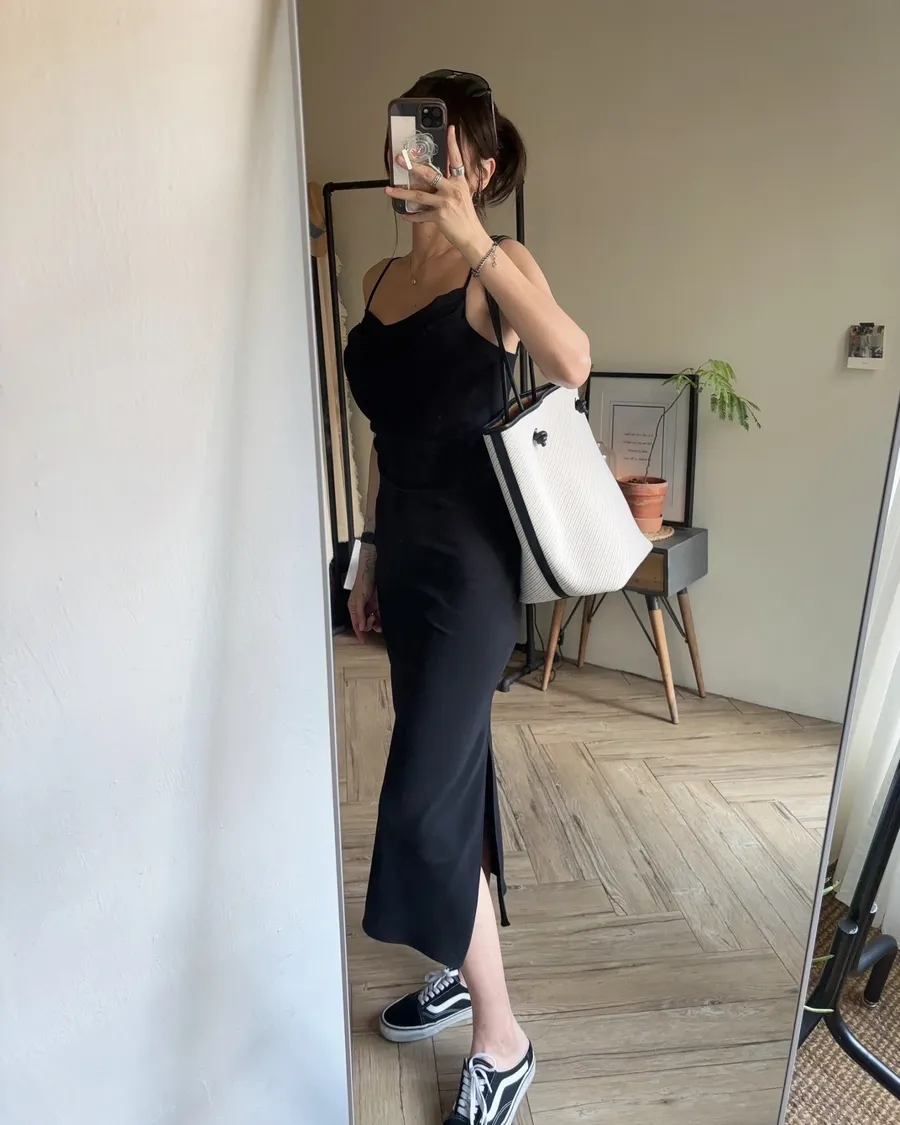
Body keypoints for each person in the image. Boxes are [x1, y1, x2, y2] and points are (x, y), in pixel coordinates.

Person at [343, 70, 590, 1125]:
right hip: (403, 549)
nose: (411, 158)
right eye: (404, 135)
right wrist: (363, 555)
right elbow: (381, 437)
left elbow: (572, 360)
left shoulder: (502, 265)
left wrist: (475, 238)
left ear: (477, 168)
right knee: (454, 773)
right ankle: (455, 964)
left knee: (419, 797)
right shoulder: (377, 278)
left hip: (473, 564)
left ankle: (503, 1037)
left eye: (436, 144)